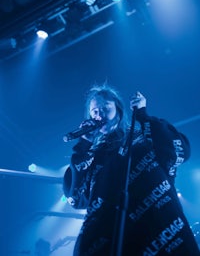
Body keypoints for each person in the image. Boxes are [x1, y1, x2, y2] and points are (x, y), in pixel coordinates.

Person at [63, 84, 200, 256]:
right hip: (112, 237)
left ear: (118, 110)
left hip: (156, 229)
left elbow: (179, 150)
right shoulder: (94, 154)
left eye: (105, 108)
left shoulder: (140, 138)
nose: (99, 115)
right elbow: (76, 198)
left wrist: (142, 115)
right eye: (94, 111)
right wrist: (83, 145)